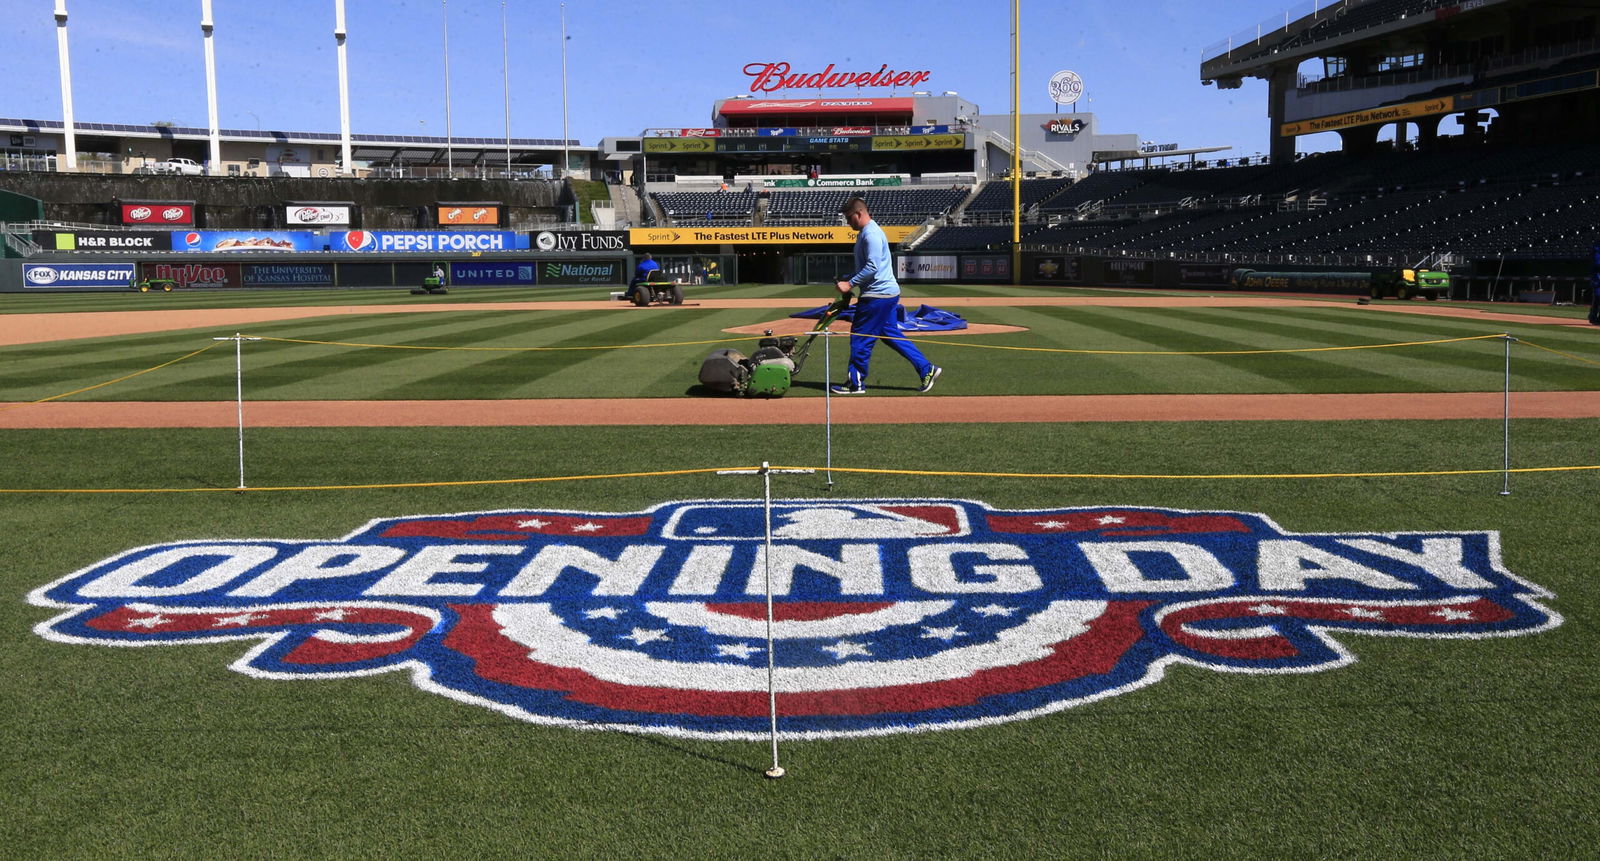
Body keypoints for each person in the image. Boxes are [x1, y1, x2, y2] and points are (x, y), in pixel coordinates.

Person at [831, 197, 940, 395]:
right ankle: (927, 369)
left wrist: (850, 283)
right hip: (886, 294)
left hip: (876, 296)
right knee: (890, 335)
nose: (848, 222)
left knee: (860, 338)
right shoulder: (868, 232)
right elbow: (872, 266)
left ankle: (855, 384)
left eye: (849, 218)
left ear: (859, 214)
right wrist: (850, 277)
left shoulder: (870, 234)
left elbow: (872, 267)